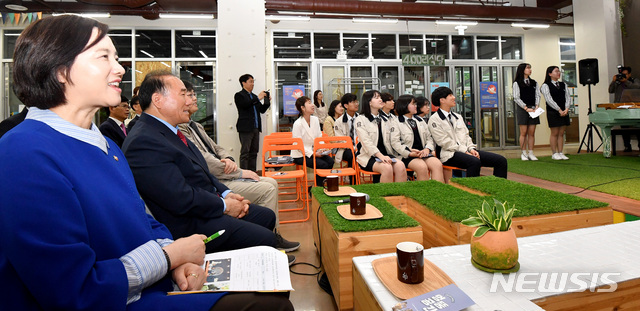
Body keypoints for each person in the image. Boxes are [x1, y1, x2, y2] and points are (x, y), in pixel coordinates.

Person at [0, 15, 293, 311]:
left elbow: (143, 219)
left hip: (146, 285)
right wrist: (169, 258)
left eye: (116, 57)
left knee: (271, 293)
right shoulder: (23, 152)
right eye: (104, 57)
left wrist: (171, 258)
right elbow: (72, 289)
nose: (120, 68)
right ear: (60, 70)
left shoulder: (105, 145)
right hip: (112, 300)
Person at [122, 71, 282, 257]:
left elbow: (203, 172)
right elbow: (180, 198)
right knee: (266, 239)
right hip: (190, 223)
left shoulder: (169, 131)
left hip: (206, 205)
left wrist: (227, 193)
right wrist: (224, 206)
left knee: (266, 216)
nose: (189, 102)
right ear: (158, 100)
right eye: (183, 95)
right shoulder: (144, 141)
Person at [178, 80, 299, 252]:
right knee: (265, 184)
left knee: (270, 180)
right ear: (244, 83)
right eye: (189, 95)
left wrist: (227, 158)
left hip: (227, 165)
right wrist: (240, 173)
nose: (195, 99)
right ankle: (263, 239)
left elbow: (216, 148)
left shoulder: (195, 125)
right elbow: (204, 160)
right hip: (217, 178)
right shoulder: (241, 96)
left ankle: (269, 235)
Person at [429, 87, 508, 178]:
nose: (454, 97)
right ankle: (472, 190)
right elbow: (445, 143)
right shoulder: (434, 119)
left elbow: (466, 136)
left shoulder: (457, 117)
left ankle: (498, 189)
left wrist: (471, 149)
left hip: (466, 151)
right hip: (449, 154)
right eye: (450, 95)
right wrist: (465, 151)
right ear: (442, 100)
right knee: (474, 162)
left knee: (501, 160)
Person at [354, 90, 407, 183]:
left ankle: (399, 195)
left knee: (401, 166)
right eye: (376, 97)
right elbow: (366, 142)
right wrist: (380, 156)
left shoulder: (384, 119)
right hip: (369, 156)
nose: (380, 100)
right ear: (369, 102)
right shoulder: (360, 119)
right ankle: (385, 196)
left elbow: (394, 139)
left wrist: (407, 150)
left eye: (380, 97)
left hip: (386, 154)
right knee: (387, 168)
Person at [390, 94, 444, 183]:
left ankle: (437, 193)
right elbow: (395, 143)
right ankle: (423, 194)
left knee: (437, 164)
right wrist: (410, 153)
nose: (416, 106)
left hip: (423, 153)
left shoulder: (420, 120)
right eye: (413, 104)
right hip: (406, 155)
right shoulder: (395, 122)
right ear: (404, 105)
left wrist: (427, 149)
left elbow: (429, 138)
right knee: (422, 167)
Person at [292, 96, 334, 186]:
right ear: (302, 108)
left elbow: (319, 137)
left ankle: (316, 186)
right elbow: (298, 145)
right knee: (322, 164)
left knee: (330, 161)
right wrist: (314, 153)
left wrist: (321, 149)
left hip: (314, 151)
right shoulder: (297, 124)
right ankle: (318, 188)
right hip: (300, 154)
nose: (312, 105)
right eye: (309, 103)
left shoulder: (315, 120)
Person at [234, 74, 270, 171]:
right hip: (245, 128)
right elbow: (245, 105)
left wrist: (267, 102)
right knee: (245, 153)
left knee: (254, 152)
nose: (252, 84)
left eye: (253, 81)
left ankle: (252, 173)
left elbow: (261, 110)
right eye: (250, 81)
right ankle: (244, 175)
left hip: (256, 128)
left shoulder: (254, 96)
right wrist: (258, 98)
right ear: (243, 83)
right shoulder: (239, 95)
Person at [540, 66, 570, 160]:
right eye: (556, 71)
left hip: (564, 111)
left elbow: (568, 97)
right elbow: (549, 100)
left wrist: (566, 109)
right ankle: (554, 153)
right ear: (550, 73)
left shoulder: (563, 84)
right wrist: (559, 110)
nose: (558, 73)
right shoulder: (545, 85)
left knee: (561, 132)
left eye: (559, 71)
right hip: (553, 111)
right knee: (555, 132)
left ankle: (561, 152)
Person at [608, 66, 640, 152]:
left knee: (637, 127)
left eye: (625, 74)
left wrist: (626, 81)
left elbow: (636, 87)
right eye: (622, 74)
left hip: (633, 108)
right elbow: (610, 90)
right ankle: (627, 146)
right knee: (624, 127)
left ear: (629, 74)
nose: (623, 76)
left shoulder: (634, 81)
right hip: (620, 108)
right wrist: (613, 81)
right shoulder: (618, 82)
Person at [513, 63, 540, 161]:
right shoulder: (517, 83)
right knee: (523, 132)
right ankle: (523, 152)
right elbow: (516, 97)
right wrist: (525, 107)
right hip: (523, 109)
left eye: (530, 68)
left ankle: (531, 153)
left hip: (533, 109)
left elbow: (538, 95)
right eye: (528, 68)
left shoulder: (534, 82)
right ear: (522, 70)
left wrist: (536, 105)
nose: (530, 70)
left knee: (531, 132)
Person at [333, 93, 359, 167]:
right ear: (346, 105)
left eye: (356, 102)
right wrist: (353, 148)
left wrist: (358, 147)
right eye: (353, 102)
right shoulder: (339, 122)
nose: (356, 104)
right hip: (345, 149)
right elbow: (341, 140)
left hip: (360, 147)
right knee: (351, 155)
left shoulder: (361, 119)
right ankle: (352, 178)